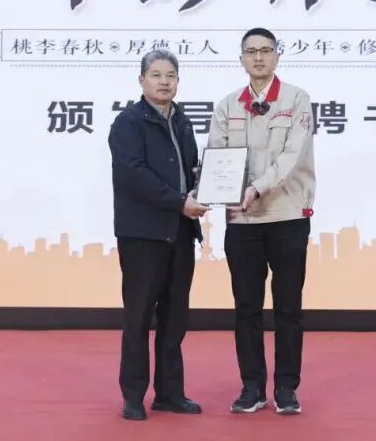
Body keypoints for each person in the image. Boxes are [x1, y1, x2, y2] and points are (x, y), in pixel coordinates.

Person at [207, 27, 316, 415]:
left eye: (265, 50)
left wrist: (256, 187)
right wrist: (217, 190)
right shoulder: (227, 106)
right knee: (246, 308)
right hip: (242, 221)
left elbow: (292, 157)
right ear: (241, 59)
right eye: (251, 51)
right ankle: (251, 386)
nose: (258, 57)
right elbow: (217, 155)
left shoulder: (297, 100)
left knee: (288, 307)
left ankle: (286, 387)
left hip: (287, 215)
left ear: (276, 56)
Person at [108, 49, 209, 421]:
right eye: (156, 75)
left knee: (174, 317)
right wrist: (180, 201)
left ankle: (169, 393)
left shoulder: (182, 121)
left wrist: (207, 184)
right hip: (142, 235)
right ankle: (133, 396)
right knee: (138, 317)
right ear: (142, 80)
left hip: (180, 232)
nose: (164, 82)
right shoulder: (128, 123)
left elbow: (189, 169)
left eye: (170, 76)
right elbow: (134, 174)